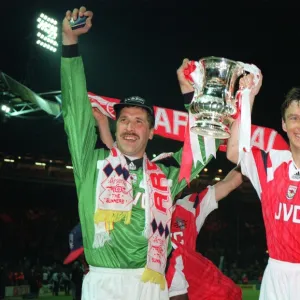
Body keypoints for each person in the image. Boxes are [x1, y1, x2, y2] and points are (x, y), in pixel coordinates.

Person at [61, 6, 220, 300]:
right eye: (123, 120)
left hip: (150, 283)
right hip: (102, 284)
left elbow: (202, 149)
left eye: (139, 121)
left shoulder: (166, 173)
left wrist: (189, 93)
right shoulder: (91, 162)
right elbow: (75, 112)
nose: (130, 127)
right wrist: (69, 43)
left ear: (151, 131)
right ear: (115, 125)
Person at [226, 70, 300, 299]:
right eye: (294, 117)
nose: (299, 125)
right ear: (284, 124)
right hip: (276, 274)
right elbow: (234, 150)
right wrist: (247, 97)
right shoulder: (270, 164)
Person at [166, 167, 243, 300]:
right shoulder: (138, 212)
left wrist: (249, 158)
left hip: (189, 290)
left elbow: (229, 183)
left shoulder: (188, 206)